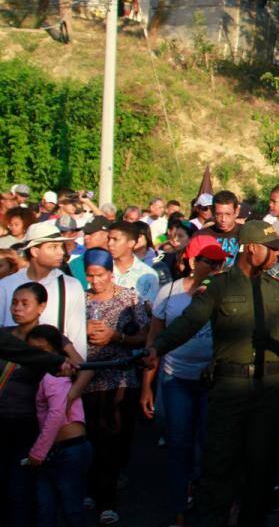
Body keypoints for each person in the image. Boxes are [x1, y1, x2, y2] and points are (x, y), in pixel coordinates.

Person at [146, 220, 279, 527]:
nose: (278, 256)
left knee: (260, 466)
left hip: (268, 389)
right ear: (251, 249)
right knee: (219, 466)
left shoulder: (278, 292)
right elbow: (187, 323)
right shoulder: (219, 287)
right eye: (272, 250)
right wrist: (156, 348)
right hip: (228, 389)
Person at [141, 236, 222, 527]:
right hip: (176, 377)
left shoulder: (223, 292)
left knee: (207, 444)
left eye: (220, 262)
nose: (215, 266)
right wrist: (147, 386)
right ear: (191, 261)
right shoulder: (168, 292)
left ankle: (202, 503)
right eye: (208, 261)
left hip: (213, 379)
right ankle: (178, 508)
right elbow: (155, 339)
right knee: (179, 443)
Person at [81, 247, 149, 525]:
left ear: (111, 273)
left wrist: (117, 336)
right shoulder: (79, 300)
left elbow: (145, 336)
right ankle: (93, 487)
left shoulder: (128, 298)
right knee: (90, 435)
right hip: (85, 377)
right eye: (90, 276)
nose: (95, 281)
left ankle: (107, 500)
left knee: (113, 435)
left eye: (100, 275)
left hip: (119, 376)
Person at [25, 324, 91, 527]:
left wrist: (37, 453)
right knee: (49, 508)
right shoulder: (51, 375)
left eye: (42, 350)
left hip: (67, 450)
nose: (36, 355)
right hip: (61, 450)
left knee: (68, 508)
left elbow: (55, 416)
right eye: (31, 350)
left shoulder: (54, 376)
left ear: (56, 352)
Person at [0, 221, 88, 356]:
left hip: (56, 371)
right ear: (35, 251)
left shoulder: (70, 286)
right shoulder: (6, 285)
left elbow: (78, 338)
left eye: (61, 247)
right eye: (53, 247)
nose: (61, 252)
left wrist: (78, 373)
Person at [106, 221, 160, 304]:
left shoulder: (148, 275)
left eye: (115, 239)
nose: (109, 244)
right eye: (108, 239)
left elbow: (149, 310)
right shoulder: (102, 270)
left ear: (131, 243)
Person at [197, 190, 242, 266]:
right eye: (219, 214)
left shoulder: (246, 233)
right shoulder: (202, 236)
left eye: (228, 214)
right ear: (212, 211)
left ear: (236, 211)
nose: (223, 219)